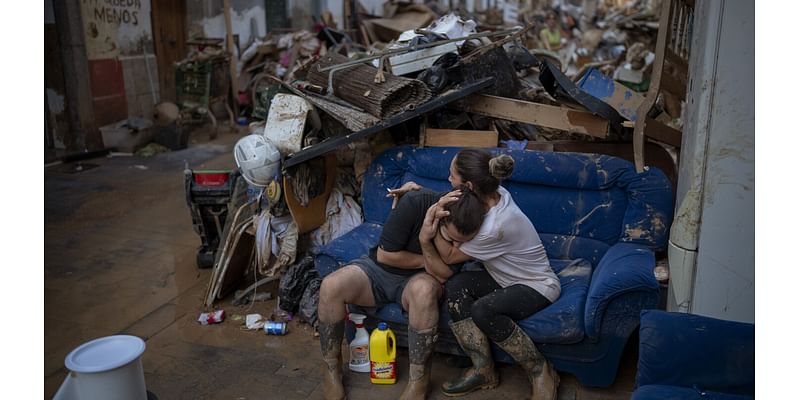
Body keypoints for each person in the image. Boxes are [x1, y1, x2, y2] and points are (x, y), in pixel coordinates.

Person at [390, 149, 561, 400]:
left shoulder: (495, 226)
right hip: (504, 278)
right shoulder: (492, 192)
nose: (448, 180)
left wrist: (429, 227)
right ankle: (483, 370)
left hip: (536, 285)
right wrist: (416, 194)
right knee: (457, 286)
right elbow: (450, 200)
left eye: (451, 176)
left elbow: (448, 257)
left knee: (483, 310)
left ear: (468, 185)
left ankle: (540, 370)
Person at [317, 185, 485, 400]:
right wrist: (430, 259)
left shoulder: (472, 224)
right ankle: (332, 370)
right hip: (379, 270)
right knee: (331, 286)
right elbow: (386, 256)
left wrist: (426, 241)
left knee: (424, 290)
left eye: (463, 243)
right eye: (450, 239)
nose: (455, 247)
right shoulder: (414, 202)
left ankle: (419, 381)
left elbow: (443, 275)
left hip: (420, 280)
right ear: (439, 217)